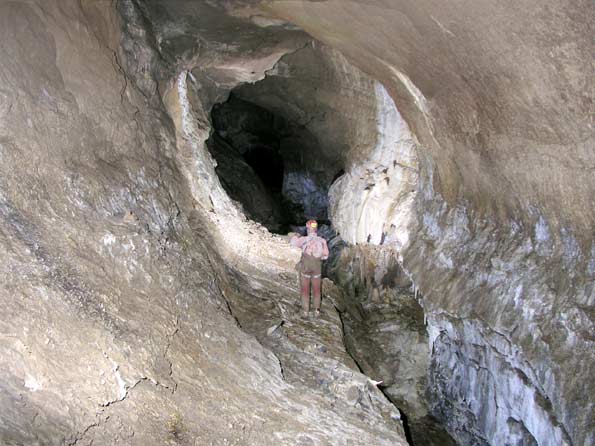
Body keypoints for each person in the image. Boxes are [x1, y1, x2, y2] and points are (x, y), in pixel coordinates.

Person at [289, 220, 329, 318]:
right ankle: (317, 311)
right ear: (316, 229)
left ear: (308, 228)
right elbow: (326, 256)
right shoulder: (322, 241)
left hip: (305, 267)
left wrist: (295, 235)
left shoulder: (303, 239)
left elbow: (293, 243)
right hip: (317, 268)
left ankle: (305, 311)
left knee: (305, 290)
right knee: (316, 290)